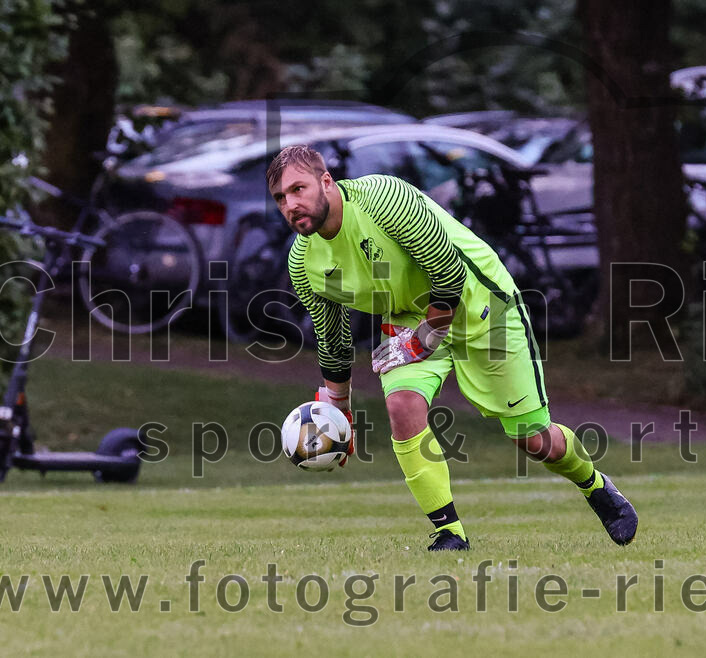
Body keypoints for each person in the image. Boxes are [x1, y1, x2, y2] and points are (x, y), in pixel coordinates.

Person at [266, 145, 638, 551]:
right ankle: (450, 533)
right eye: (281, 198)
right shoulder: (303, 263)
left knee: (533, 439)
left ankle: (595, 486)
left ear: (326, 182)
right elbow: (333, 341)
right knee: (402, 405)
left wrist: (425, 340)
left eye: (298, 189)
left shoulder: (383, 198)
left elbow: (448, 271)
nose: (291, 205)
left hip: (481, 305)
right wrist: (339, 411)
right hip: (410, 317)